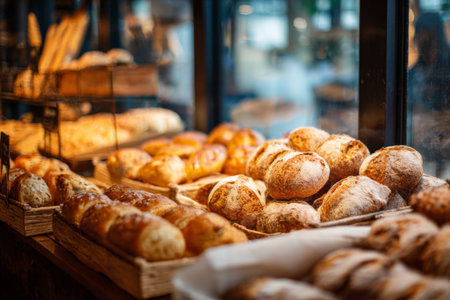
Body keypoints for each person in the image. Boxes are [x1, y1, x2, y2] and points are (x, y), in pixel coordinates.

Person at [408, 11, 449, 177]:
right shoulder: (416, 70)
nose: (421, 38)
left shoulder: (446, 66)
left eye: (425, 32)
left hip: (444, 137)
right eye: (419, 33)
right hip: (420, 138)